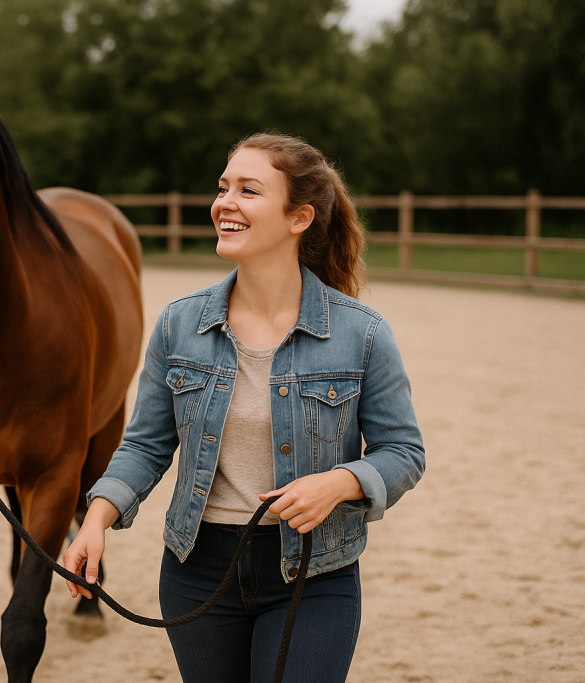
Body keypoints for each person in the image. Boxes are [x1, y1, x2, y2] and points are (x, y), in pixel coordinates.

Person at [62, 132, 425, 683]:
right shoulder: (179, 324)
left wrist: (341, 482)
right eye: (223, 186)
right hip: (196, 570)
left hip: (313, 573)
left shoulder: (362, 333)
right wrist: (96, 517)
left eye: (248, 190)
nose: (224, 203)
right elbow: (146, 443)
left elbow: (404, 452)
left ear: (298, 217)